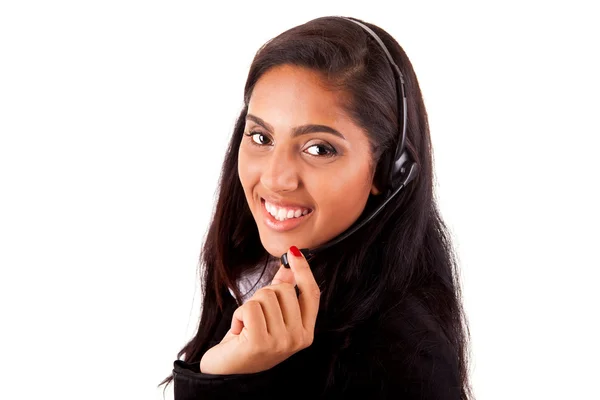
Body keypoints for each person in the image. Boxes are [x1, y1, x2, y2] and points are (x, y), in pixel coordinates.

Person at [160, 15, 473, 399]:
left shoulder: (405, 357)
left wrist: (228, 383)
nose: (276, 178)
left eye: (319, 149)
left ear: (388, 172)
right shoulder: (254, 286)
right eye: (261, 136)